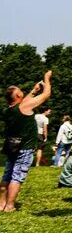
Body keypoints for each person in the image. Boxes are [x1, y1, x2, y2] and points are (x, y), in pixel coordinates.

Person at [1, 71, 52, 212]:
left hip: (11, 146)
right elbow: (47, 94)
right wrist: (46, 79)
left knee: (7, 174)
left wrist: (33, 91)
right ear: (18, 96)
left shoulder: (7, 110)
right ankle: (10, 206)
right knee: (17, 177)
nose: (22, 92)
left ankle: (1, 204)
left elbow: (22, 103)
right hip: (25, 148)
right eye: (20, 91)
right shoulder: (25, 107)